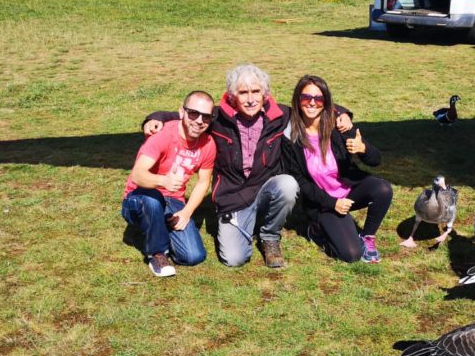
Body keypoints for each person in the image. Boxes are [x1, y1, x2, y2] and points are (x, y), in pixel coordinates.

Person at [142, 64, 352, 268]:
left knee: (288, 184)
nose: (250, 99)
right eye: (243, 93)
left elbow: (310, 107)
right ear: (233, 96)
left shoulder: (280, 116)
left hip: (265, 188)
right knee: (234, 259)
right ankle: (246, 224)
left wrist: (340, 113)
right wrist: (155, 118)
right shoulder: (217, 117)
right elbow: (187, 115)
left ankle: (270, 236)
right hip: (232, 198)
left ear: (265, 94)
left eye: (256, 91)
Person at [282, 75, 393, 263]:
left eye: (318, 98)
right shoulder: (291, 137)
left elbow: (376, 160)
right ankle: (316, 230)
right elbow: (301, 182)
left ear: (326, 102)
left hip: (349, 192)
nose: (311, 103)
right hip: (323, 202)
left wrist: (363, 149)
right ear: (297, 100)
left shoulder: (339, 127)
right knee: (351, 255)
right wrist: (332, 203)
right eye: (305, 97)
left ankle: (367, 237)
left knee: (382, 189)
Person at [122, 90, 216, 278]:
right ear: (181, 112)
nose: (199, 121)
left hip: (173, 200)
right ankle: (157, 254)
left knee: (193, 256)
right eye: (193, 113)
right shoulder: (163, 135)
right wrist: (162, 180)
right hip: (140, 196)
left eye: (206, 117)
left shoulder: (208, 144)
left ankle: (156, 229)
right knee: (153, 201)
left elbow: (204, 181)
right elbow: (138, 176)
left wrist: (187, 212)